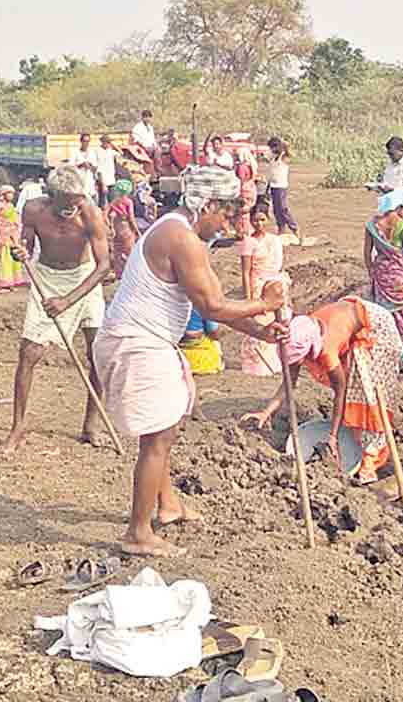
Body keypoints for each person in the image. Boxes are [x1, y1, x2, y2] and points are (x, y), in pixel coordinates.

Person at [93, 166, 288, 557]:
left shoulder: (186, 234)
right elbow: (212, 305)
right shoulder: (180, 238)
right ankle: (138, 532)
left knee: (164, 429)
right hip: (137, 342)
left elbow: (215, 303)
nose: (230, 223)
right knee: (159, 437)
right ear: (208, 204)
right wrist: (266, 304)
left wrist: (263, 331)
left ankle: (166, 506)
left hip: (147, 341)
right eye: (227, 213)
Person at [1, 165, 112, 455]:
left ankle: (91, 425)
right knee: (28, 354)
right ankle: (18, 427)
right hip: (46, 279)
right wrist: (20, 251)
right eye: (69, 201)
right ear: (52, 196)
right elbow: (25, 243)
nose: (75, 206)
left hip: (84, 281)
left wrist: (68, 300)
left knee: (96, 354)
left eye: (79, 199)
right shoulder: (35, 210)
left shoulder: (91, 214)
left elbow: (104, 267)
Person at [243, 296, 403, 486]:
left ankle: (371, 458)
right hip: (349, 319)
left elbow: (340, 392)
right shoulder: (296, 336)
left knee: (368, 393)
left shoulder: (326, 349)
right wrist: (266, 412)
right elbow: (288, 383)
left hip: (377, 327)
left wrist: (333, 437)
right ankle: (356, 434)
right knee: (356, 385)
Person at [364, 189, 403, 367]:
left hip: (382, 275)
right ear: (400, 207)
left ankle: (386, 354)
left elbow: (367, 253)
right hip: (401, 277)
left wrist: (372, 272)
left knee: (384, 315)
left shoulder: (372, 225)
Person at [240, 200, 290, 377]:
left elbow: (279, 266)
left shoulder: (275, 240)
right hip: (258, 287)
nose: (258, 224)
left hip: (275, 285)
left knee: (278, 323)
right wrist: (248, 298)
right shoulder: (248, 242)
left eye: (262, 219)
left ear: (267, 219)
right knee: (259, 325)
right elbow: (246, 272)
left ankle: (276, 362)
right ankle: (257, 366)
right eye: (255, 220)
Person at [0, 184, 27, 293]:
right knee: (3, 259)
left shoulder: (11, 205)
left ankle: (10, 282)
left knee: (12, 259)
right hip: (3, 235)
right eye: (9, 193)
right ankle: (1, 285)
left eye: (12, 193)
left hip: (13, 236)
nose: (12, 196)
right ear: (3, 194)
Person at [106, 180, 138, 281]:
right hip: (126, 229)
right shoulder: (128, 202)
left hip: (116, 230)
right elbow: (131, 218)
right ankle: (130, 273)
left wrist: (110, 225)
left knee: (117, 253)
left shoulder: (114, 202)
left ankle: (119, 274)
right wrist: (137, 231)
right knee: (129, 253)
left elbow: (104, 214)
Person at [266, 137, 297, 239]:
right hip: (273, 186)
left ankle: (294, 228)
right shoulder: (273, 158)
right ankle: (281, 229)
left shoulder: (284, 157)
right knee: (276, 210)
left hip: (281, 186)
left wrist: (283, 145)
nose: (272, 149)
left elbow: (290, 153)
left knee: (283, 209)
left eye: (274, 147)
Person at [179, 308, 225, 376]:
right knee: (215, 341)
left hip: (175, 352)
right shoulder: (200, 302)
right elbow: (213, 331)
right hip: (201, 356)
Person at [68, 134, 97, 201]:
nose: (86, 143)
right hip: (79, 184)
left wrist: (90, 165)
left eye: (88, 141)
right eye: (84, 141)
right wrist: (81, 165)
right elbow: (70, 167)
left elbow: (95, 168)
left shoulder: (92, 153)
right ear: (81, 141)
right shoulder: (75, 152)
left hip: (89, 183)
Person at [94, 135, 120, 207]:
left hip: (111, 181)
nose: (109, 143)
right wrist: (103, 184)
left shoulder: (110, 151)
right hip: (103, 181)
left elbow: (121, 153)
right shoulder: (97, 151)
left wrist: (114, 146)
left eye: (109, 142)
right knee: (103, 204)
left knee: (113, 203)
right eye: (107, 142)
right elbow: (99, 169)